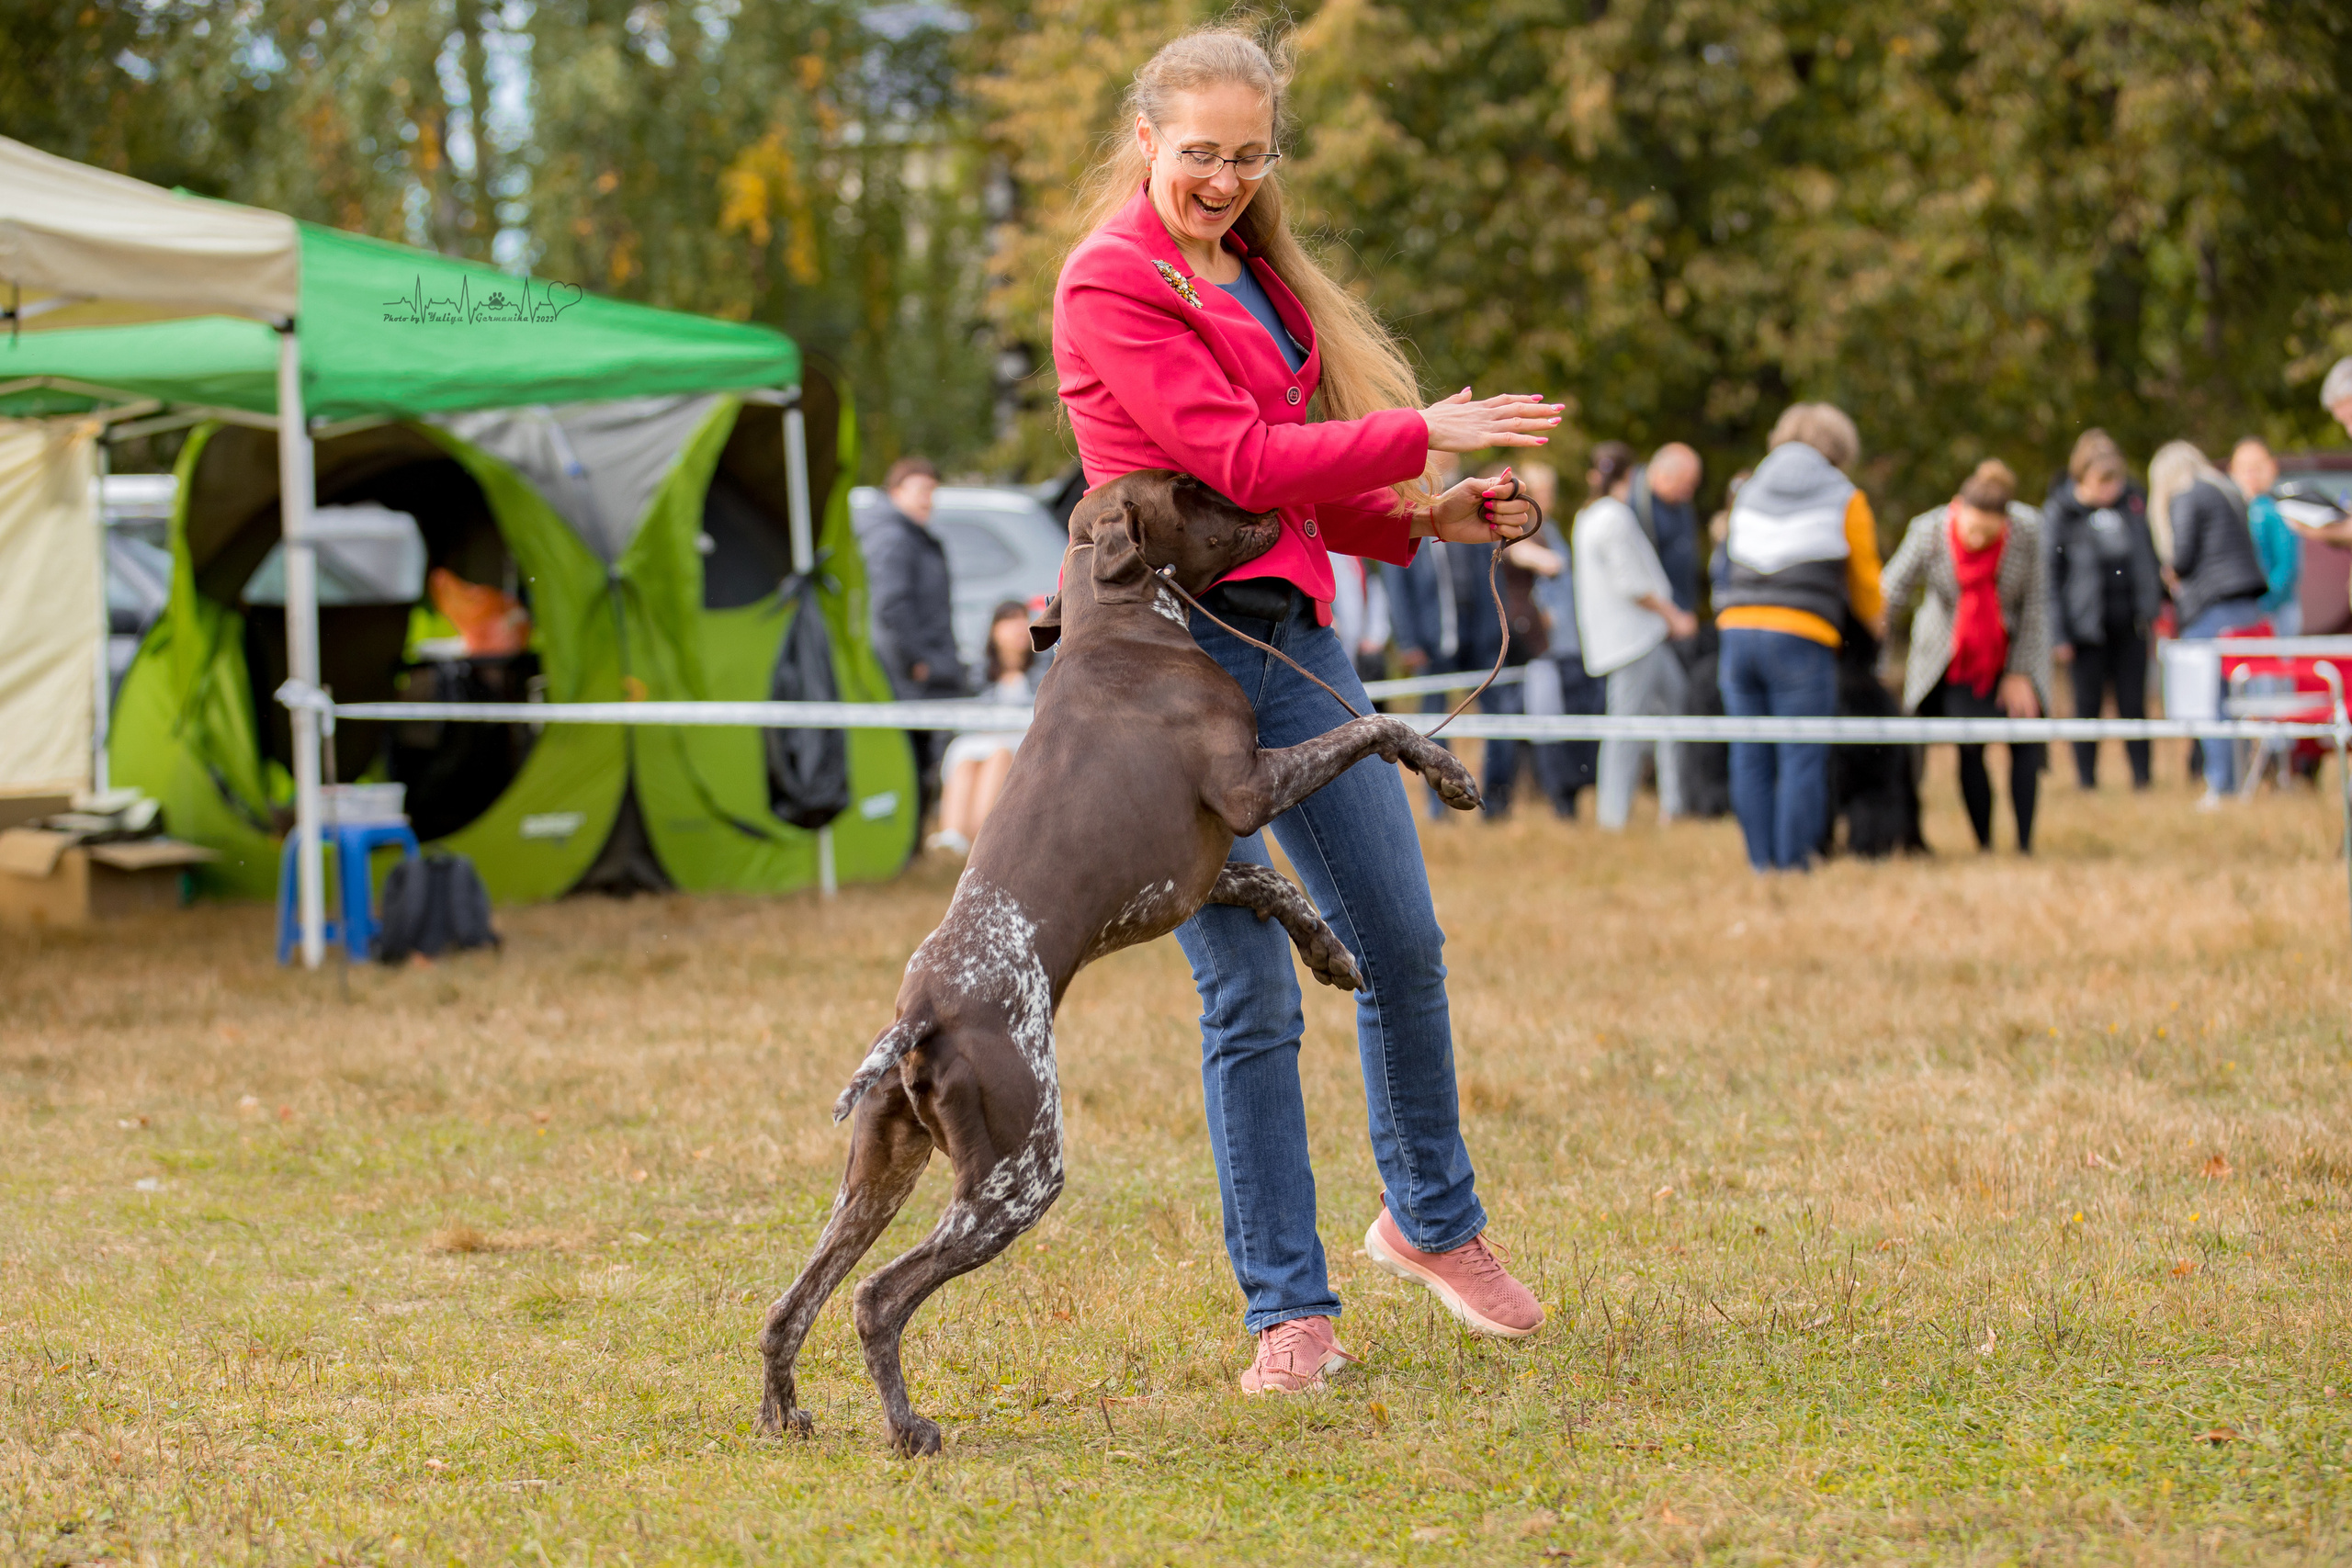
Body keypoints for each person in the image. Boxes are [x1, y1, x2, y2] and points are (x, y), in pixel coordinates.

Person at [1052, 23, 1557, 1393]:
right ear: (1147, 137)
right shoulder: (1110, 280)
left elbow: (1288, 482)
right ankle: (1289, 1306)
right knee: (1250, 991)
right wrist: (1427, 429)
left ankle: (1432, 1223)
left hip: (1296, 643)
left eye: (1249, 154)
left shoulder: (1263, 281)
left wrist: (1425, 515)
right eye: (1200, 152)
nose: (1222, 177)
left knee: (1402, 940)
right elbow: (1227, 454)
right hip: (1167, 673)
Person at [1713, 403, 1885, 872]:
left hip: (1737, 631)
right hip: (1800, 636)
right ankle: (1793, 864)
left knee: (1749, 750)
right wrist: (1879, 623)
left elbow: (1727, 560)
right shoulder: (1845, 496)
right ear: (1838, 448)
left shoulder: (1747, 491)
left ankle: (1759, 862)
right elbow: (1866, 583)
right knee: (1801, 753)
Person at [1882, 460, 2052, 852]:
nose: (1977, 539)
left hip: (2011, 650)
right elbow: (1890, 592)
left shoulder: (2029, 531)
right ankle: (1984, 843)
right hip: (1953, 654)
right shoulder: (1928, 530)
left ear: (2004, 525)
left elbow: (2037, 608)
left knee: (2025, 742)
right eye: (1972, 529)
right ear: (1957, 508)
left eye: (1989, 533)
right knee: (1970, 746)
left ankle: (2025, 845)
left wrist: (2021, 672)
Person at [1573, 440, 1697, 829]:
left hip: (1639, 638)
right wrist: (1673, 615)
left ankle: (1673, 806)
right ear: (1630, 474)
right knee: (1624, 728)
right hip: (1633, 640)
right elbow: (1632, 583)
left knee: (1674, 708)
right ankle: (1613, 817)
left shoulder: (1589, 516)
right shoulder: (1615, 518)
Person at [2148, 440, 2269, 805]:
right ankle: (2240, 778)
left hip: (2211, 608)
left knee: (2208, 699)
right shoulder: (2224, 488)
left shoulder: (2185, 494)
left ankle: (2221, 783)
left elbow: (2181, 557)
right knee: (2236, 699)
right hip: (2246, 605)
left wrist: (2168, 576)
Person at [2043, 429, 2161, 789]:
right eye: (2102, 482)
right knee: (2086, 707)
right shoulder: (2061, 513)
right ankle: (2086, 781)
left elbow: (2149, 558)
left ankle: (2142, 779)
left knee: (2133, 705)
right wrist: (2059, 633)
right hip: (2085, 628)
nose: (2110, 490)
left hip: (2130, 623)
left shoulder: (2133, 504)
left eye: (2115, 481)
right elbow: (2049, 576)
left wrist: (2153, 606)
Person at [859, 457, 968, 818]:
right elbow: (890, 605)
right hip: (910, 671)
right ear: (895, 492)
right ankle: (910, 834)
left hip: (921, 666)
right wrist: (917, 661)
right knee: (912, 756)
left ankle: (917, 834)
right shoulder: (893, 538)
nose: (928, 499)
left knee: (924, 753)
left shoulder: (909, 535)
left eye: (932, 491)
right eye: (920, 490)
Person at [1505, 463, 1606, 818]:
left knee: (1566, 714)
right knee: (1544, 717)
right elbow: (1522, 555)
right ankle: (1556, 797)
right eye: (1540, 489)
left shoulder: (1552, 528)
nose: (1546, 497)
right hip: (1536, 643)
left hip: (1564, 643)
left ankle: (1568, 794)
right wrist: (1548, 562)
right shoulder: (1518, 528)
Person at [928, 602, 1038, 857]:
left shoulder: (1042, 668)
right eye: (1010, 621)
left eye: (1023, 619)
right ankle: (953, 834)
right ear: (995, 631)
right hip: (981, 736)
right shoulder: (978, 672)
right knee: (967, 761)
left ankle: (980, 838)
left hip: (1020, 738)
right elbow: (970, 711)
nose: (1019, 627)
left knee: (999, 756)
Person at [2229, 437, 2299, 637]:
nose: (2251, 474)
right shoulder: (2233, 509)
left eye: (2257, 467)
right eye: (2244, 468)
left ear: (2272, 467)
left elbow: (2287, 568)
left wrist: (2264, 603)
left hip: (2274, 611)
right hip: (2244, 611)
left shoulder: (2277, 510)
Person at [1628, 442, 1703, 615]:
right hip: (1656, 615)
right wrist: (1670, 613)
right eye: (1685, 484)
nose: (1689, 493)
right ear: (1663, 474)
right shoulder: (1636, 504)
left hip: (1683, 610)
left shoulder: (1681, 504)